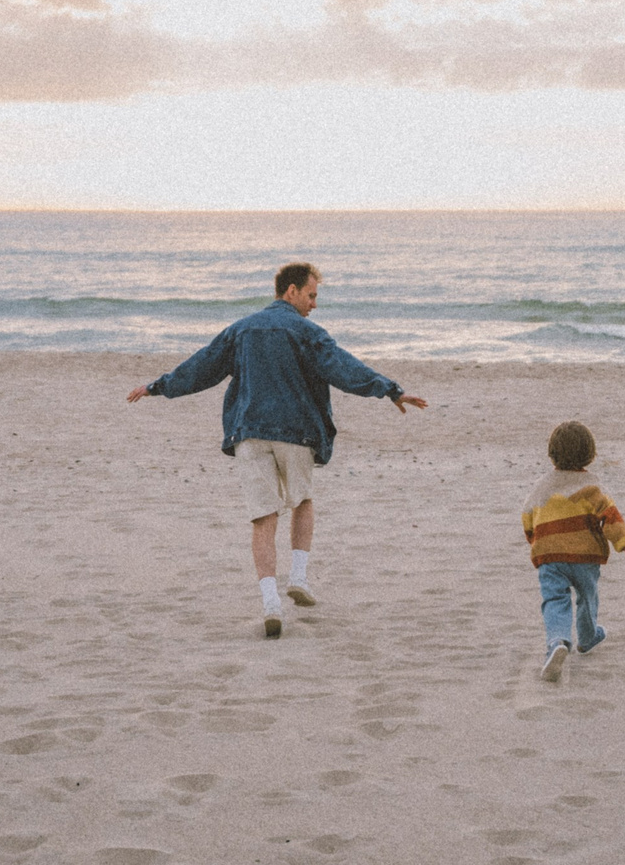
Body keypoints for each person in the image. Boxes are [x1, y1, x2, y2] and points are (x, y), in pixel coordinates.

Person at [127, 263, 427, 637]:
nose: (314, 304)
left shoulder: (242, 329)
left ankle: (270, 602)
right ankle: (298, 577)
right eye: (311, 295)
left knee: (263, 519)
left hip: (249, 433)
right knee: (301, 501)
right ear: (291, 291)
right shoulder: (306, 331)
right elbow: (344, 368)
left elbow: (201, 366)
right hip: (295, 431)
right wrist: (391, 390)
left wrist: (158, 387)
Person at [520, 419, 625, 682]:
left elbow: (528, 517)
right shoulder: (592, 487)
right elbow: (610, 518)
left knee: (554, 600)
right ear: (590, 455)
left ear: (551, 454)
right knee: (587, 596)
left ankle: (557, 642)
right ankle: (587, 638)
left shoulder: (542, 486)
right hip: (584, 556)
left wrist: (536, 542)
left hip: (550, 556)